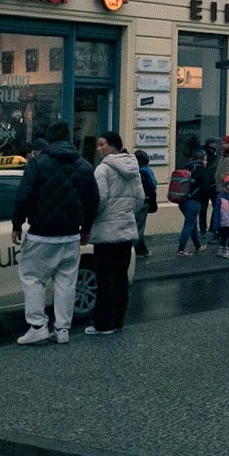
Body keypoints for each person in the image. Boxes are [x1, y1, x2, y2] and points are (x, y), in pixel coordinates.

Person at [11, 119, 100, 345]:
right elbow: (93, 200)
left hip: (41, 233)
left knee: (32, 278)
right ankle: (62, 329)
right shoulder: (83, 165)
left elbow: (24, 195)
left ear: (49, 139)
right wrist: (86, 229)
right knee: (66, 282)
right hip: (71, 235)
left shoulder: (37, 163)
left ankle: (38, 326)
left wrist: (17, 225)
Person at [86, 132, 146, 335]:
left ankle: (103, 324)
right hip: (126, 231)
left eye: (101, 144)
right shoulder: (133, 167)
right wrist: (126, 213)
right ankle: (118, 321)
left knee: (104, 279)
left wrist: (93, 218)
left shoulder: (102, 169)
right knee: (121, 278)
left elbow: (99, 199)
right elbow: (140, 198)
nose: (98, 149)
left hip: (106, 232)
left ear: (112, 146)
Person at [176, 149, 211, 255]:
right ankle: (181, 249)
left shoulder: (187, 167)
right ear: (201, 159)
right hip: (194, 201)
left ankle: (198, 246)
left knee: (192, 223)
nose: (206, 162)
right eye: (205, 159)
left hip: (182, 200)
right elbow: (205, 188)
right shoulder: (201, 171)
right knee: (189, 224)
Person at [134, 149, 157, 258]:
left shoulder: (138, 171)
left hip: (138, 201)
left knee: (137, 226)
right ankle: (140, 250)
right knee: (139, 226)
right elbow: (153, 186)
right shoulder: (148, 170)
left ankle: (138, 250)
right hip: (146, 201)